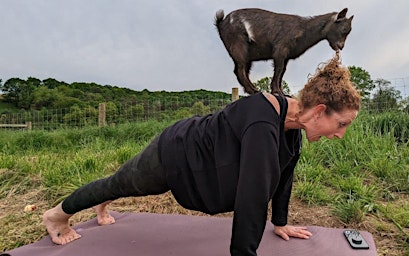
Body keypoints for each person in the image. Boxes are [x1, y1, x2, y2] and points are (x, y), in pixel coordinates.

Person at [42, 53, 361, 256]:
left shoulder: (293, 128)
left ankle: (105, 199)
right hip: (177, 153)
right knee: (119, 183)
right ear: (320, 111)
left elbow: (284, 176)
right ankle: (57, 215)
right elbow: (253, 195)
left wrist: (279, 223)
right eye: (341, 124)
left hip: (203, 163)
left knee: (119, 185)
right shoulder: (264, 122)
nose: (340, 133)